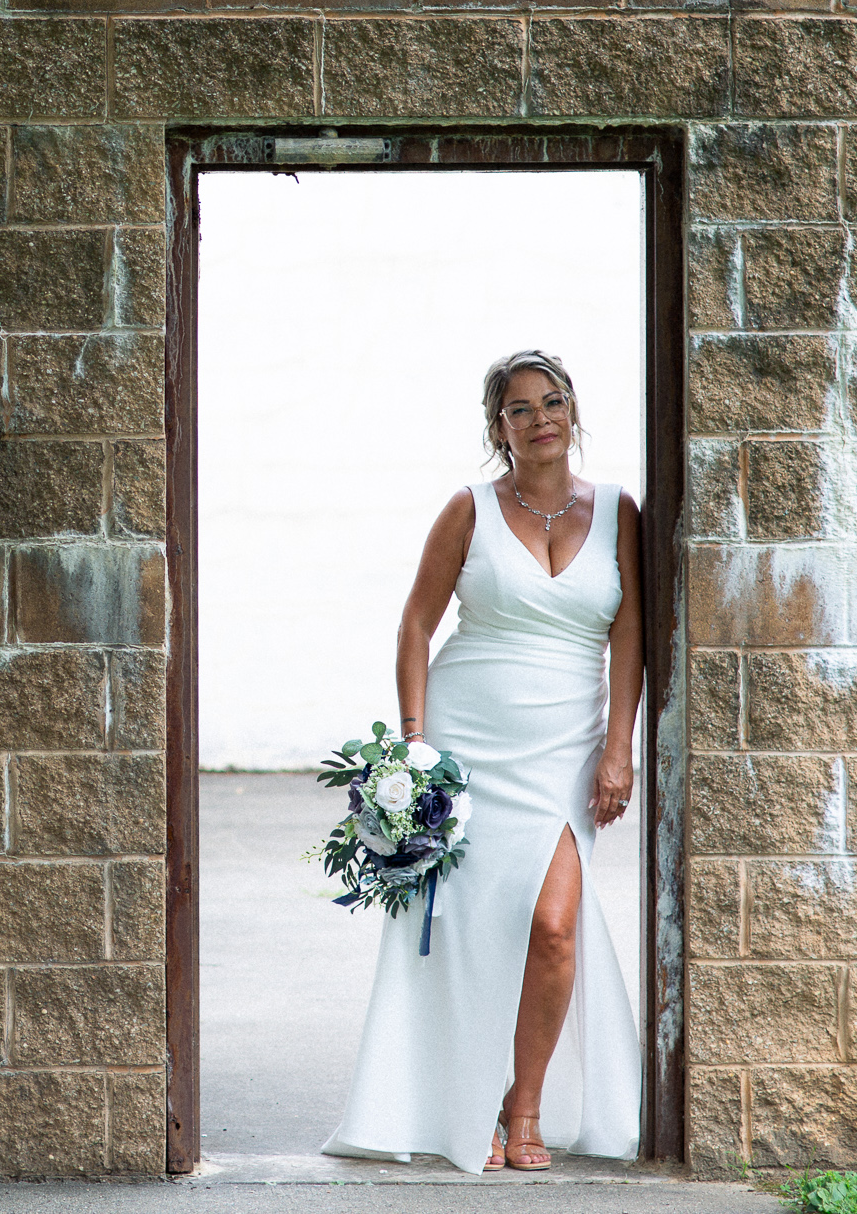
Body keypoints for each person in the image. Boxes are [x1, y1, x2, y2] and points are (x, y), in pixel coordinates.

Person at [324, 350, 643, 1175]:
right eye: (520, 409)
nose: (540, 418)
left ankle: (523, 1103)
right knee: (462, 936)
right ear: (497, 429)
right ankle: (458, 1104)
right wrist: (417, 747)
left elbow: (630, 639)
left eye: (553, 401)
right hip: (470, 747)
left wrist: (619, 748)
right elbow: (415, 628)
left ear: (574, 410)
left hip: (565, 752)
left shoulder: (619, 511)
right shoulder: (468, 510)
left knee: (552, 926)